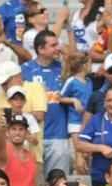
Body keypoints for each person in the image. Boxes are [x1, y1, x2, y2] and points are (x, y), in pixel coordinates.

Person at [22, 30, 72, 176]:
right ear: (41, 49)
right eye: (53, 45)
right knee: (33, 183)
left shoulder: (63, 70)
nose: (58, 48)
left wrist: (67, 58)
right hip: (32, 135)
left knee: (58, 182)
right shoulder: (25, 70)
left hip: (58, 135)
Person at [0, 108, 40, 186]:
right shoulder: (4, 152)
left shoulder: (31, 155)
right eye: (13, 129)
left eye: (21, 129)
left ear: (26, 133)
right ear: (8, 133)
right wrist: (1, 131)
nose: (17, 132)